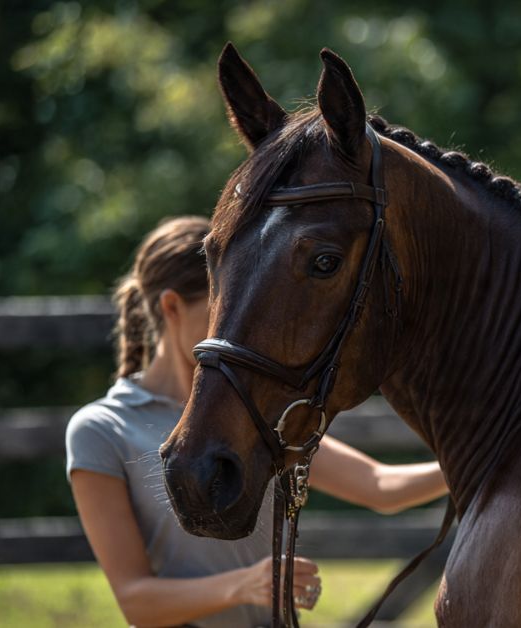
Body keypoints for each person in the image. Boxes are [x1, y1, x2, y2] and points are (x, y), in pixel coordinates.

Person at [66, 216, 448, 627]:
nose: (236, 327)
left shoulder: (246, 410)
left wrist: (472, 463)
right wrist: (246, 584)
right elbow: (135, 602)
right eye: (220, 308)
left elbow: (379, 487)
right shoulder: (101, 430)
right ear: (172, 307)